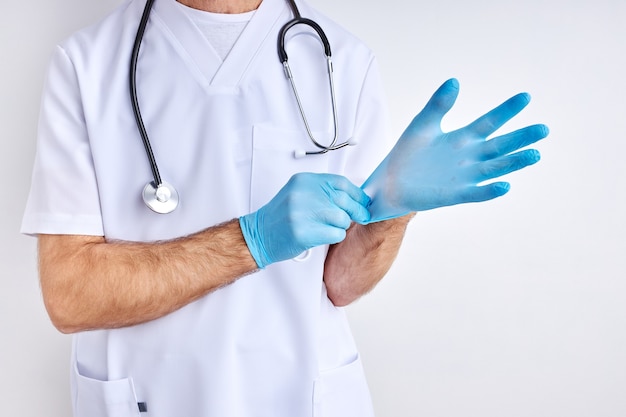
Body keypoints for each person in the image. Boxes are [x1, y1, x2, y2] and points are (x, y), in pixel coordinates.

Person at [21, 0, 548, 416]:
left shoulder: (343, 59)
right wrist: (252, 239)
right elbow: (71, 295)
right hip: (150, 398)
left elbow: (341, 283)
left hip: (300, 397)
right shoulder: (86, 64)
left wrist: (392, 212)